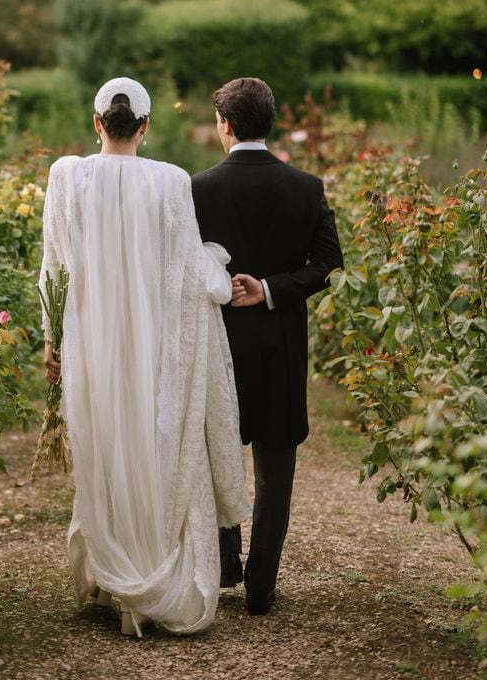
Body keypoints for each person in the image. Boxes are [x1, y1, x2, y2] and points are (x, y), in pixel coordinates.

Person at [40, 77, 250, 638]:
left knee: (104, 444)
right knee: (153, 446)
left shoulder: (66, 176)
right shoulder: (171, 180)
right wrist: (218, 269)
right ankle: (149, 579)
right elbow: (187, 272)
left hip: (93, 340)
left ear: (96, 122)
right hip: (156, 343)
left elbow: (54, 270)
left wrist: (52, 340)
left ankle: (117, 580)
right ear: (146, 127)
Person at [191, 77, 343, 616]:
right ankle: (261, 586)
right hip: (280, 343)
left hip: (220, 346)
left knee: (219, 453)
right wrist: (273, 289)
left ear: (225, 126)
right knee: (276, 469)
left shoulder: (198, 188)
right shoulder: (306, 186)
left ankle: (227, 563)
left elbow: (186, 270)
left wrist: (225, 284)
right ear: (269, 122)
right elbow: (328, 263)